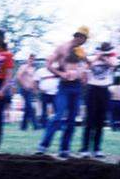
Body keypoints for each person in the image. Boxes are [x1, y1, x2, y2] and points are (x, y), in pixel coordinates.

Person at [36, 26, 90, 158]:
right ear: (78, 36)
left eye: (86, 39)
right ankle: (43, 146)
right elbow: (48, 64)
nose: (84, 41)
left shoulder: (81, 51)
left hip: (76, 87)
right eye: (84, 38)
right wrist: (60, 73)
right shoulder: (62, 47)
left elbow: (89, 63)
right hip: (64, 86)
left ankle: (64, 149)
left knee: (72, 119)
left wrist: (82, 73)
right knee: (58, 115)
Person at [80, 42, 117, 158]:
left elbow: (113, 65)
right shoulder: (92, 58)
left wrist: (104, 57)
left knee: (101, 121)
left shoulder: (112, 58)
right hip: (92, 89)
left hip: (104, 90)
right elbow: (86, 67)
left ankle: (97, 149)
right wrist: (97, 56)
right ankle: (85, 149)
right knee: (90, 121)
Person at [15, 54, 39, 130]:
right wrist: (24, 85)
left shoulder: (33, 68)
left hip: (30, 90)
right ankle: (35, 125)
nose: (32, 60)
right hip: (24, 89)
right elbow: (18, 77)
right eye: (31, 59)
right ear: (28, 59)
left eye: (33, 59)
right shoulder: (23, 67)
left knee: (27, 108)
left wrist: (35, 89)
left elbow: (33, 79)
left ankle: (23, 127)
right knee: (30, 107)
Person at [34, 60, 59, 127]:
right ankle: (44, 124)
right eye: (47, 61)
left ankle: (57, 125)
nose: (49, 63)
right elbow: (36, 82)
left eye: (50, 61)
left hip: (55, 93)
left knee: (57, 110)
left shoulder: (56, 70)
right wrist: (38, 90)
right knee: (44, 110)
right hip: (44, 93)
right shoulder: (40, 71)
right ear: (45, 62)